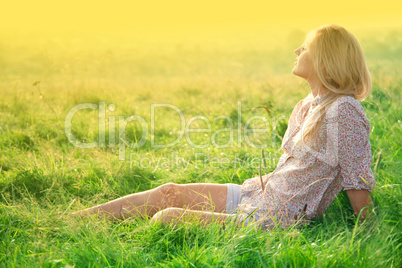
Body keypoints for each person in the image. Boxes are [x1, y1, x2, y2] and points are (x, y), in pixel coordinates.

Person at [72, 24, 376, 230]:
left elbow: (356, 179)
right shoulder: (310, 103)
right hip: (259, 194)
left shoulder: (344, 109)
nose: (297, 51)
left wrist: (368, 233)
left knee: (167, 217)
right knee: (168, 192)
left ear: (325, 59)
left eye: (305, 47)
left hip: (275, 217)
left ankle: (83, 223)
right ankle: (74, 220)